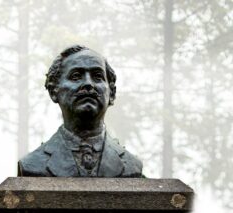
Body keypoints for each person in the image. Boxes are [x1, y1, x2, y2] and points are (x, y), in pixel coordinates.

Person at [18, 45, 143, 178]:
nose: (88, 84)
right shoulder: (32, 164)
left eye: (97, 76)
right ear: (54, 91)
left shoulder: (132, 166)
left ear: (112, 93)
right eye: (76, 76)